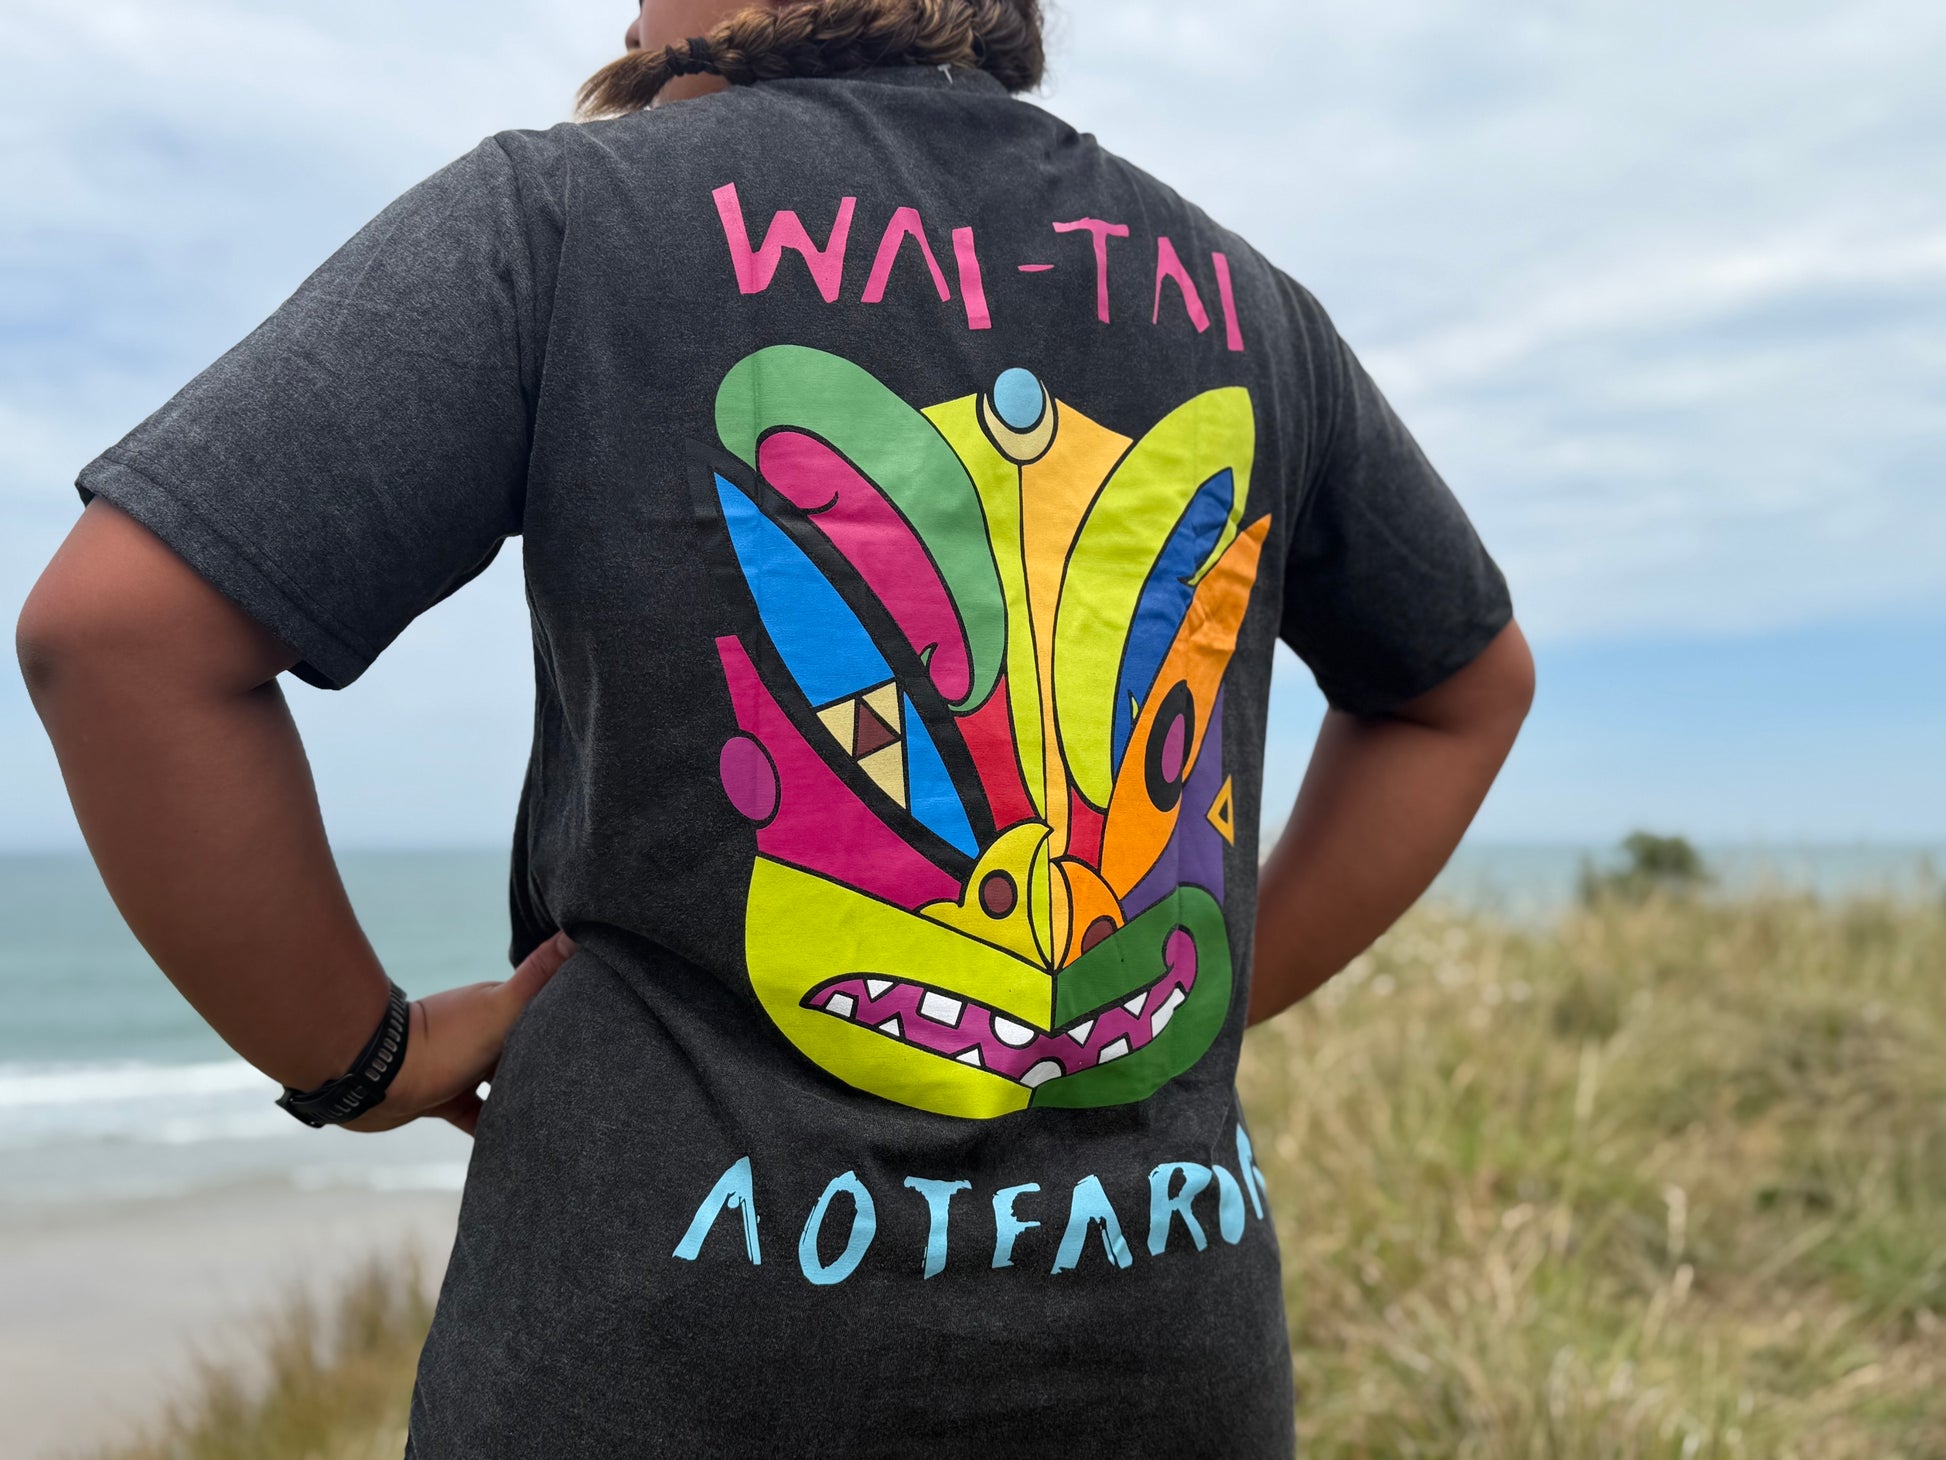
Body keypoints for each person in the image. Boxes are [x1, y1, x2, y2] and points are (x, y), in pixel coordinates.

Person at [16, 0, 1534, 1453]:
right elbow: (1464, 689)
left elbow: (122, 635)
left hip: (662, 1368)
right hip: (1160, 1361)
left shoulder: (569, 219)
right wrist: (1183, 1008)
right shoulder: (1239, 299)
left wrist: (363, 1056)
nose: (622, 30)